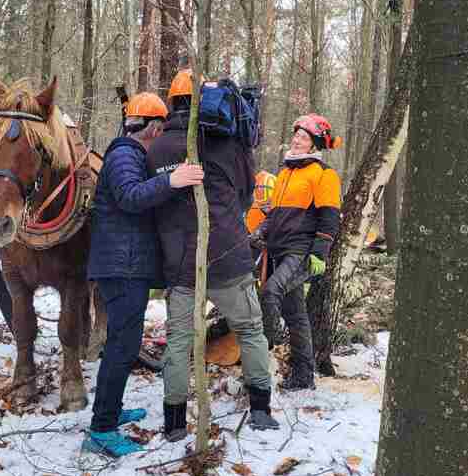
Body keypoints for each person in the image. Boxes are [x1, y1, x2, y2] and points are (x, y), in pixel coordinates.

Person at [147, 69, 281, 441]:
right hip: (229, 256)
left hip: (180, 262)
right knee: (251, 329)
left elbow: (153, 204)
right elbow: (245, 196)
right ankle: (260, 409)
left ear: (173, 103)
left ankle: (174, 423)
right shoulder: (231, 144)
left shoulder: (157, 148)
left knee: (178, 341)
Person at [82, 92, 205, 457]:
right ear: (152, 127)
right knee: (121, 347)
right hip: (122, 268)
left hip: (127, 264)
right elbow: (130, 196)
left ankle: (111, 411)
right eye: (161, 127)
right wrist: (174, 180)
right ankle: (101, 429)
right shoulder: (123, 155)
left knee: (125, 344)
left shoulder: (130, 154)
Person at [252, 113, 342, 391]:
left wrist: (320, 251)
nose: (297, 140)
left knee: (270, 292)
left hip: (301, 251)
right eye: (296, 135)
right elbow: (275, 215)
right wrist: (260, 232)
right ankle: (304, 375)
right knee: (296, 314)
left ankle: (271, 341)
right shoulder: (285, 173)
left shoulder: (324, 175)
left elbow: (330, 217)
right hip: (279, 249)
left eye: (304, 137)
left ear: (315, 144)